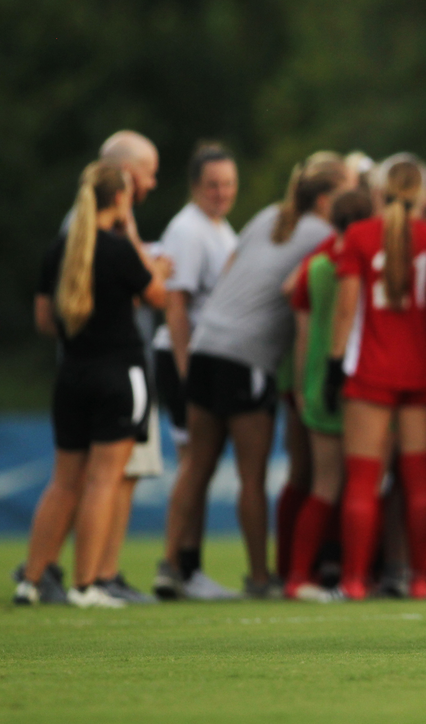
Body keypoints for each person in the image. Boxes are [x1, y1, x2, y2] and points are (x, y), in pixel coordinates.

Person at [159, 155, 351, 598]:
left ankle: (170, 566)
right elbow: (293, 290)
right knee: (251, 473)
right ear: (326, 199)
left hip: (207, 345)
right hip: (247, 357)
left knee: (196, 465)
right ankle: (260, 579)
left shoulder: (269, 215)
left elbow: (230, 271)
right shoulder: (323, 234)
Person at [17, 162, 169, 607]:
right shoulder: (120, 249)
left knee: (63, 481)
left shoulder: (59, 249)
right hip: (120, 374)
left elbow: (46, 321)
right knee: (104, 480)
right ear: (120, 198)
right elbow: (157, 294)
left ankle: (31, 580)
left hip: (71, 375)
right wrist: (145, 252)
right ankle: (86, 585)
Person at [327, 158, 426, 601]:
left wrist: (333, 365)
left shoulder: (359, 236)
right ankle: (418, 580)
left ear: (378, 193)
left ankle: (354, 581)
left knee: (361, 479)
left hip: (371, 369)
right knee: (419, 480)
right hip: (421, 371)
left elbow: (345, 310)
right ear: (423, 196)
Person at [150, 142, 239, 601]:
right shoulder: (187, 230)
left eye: (227, 184)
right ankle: (177, 565)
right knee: (194, 464)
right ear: (195, 187)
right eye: (212, 185)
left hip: (205, 358)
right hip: (183, 357)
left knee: (200, 465)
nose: (221, 193)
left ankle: (187, 566)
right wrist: (187, 372)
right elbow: (176, 303)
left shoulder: (218, 227)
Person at [284, 188, 373, 600]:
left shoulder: (315, 266)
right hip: (359, 383)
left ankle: (298, 575)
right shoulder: (367, 265)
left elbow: (302, 335)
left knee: (324, 484)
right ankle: (358, 577)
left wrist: (302, 387)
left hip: (319, 383)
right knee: (367, 484)